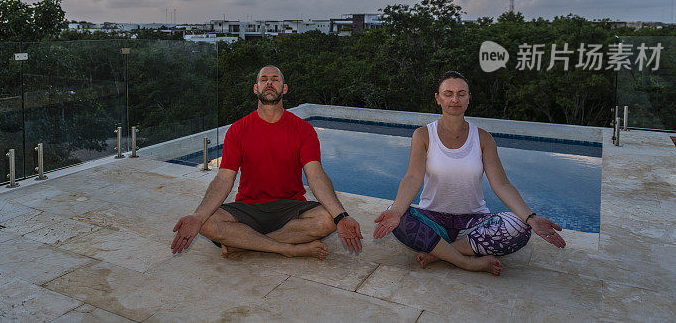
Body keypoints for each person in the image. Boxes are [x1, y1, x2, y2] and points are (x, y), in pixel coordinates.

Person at [373, 70, 566, 276]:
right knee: (396, 215)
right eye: (448, 94)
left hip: (473, 223)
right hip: (432, 220)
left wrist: (531, 217)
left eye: (461, 93)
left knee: (520, 226)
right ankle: (467, 262)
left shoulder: (483, 138)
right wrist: (396, 210)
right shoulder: (423, 135)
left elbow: (501, 184)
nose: (454, 99)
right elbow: (413, 177)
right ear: (438, 99)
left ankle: (440, 253)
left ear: (468, 98)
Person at [171, 65, 363, 259]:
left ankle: (245, 244)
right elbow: (223, 179)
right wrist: (197, 217)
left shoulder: (303, 130)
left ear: (284, 88)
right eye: (264, 79)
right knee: (205, 223)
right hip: (249, 207)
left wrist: (341, 216)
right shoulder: (238, 130)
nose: (269, 83)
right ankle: (287, 248)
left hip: (290, 206)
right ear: (256, 88)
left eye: (275, 79)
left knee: (328, 221)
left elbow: (315, 175)